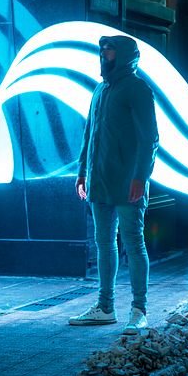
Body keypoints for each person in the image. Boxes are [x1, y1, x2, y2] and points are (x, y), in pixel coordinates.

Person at [68, 35, 159, 334]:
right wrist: (82, 170)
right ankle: (105, 307)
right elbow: (89, 133)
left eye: (108, 51)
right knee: (104, 244)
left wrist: (140, 177)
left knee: (133, 243)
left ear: (123, 56)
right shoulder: (100, 90)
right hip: (99, 180)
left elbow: (149, 139)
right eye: (102, 51)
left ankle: (139, 309)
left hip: (127, 181)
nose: (103, 56)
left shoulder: (138, 89)